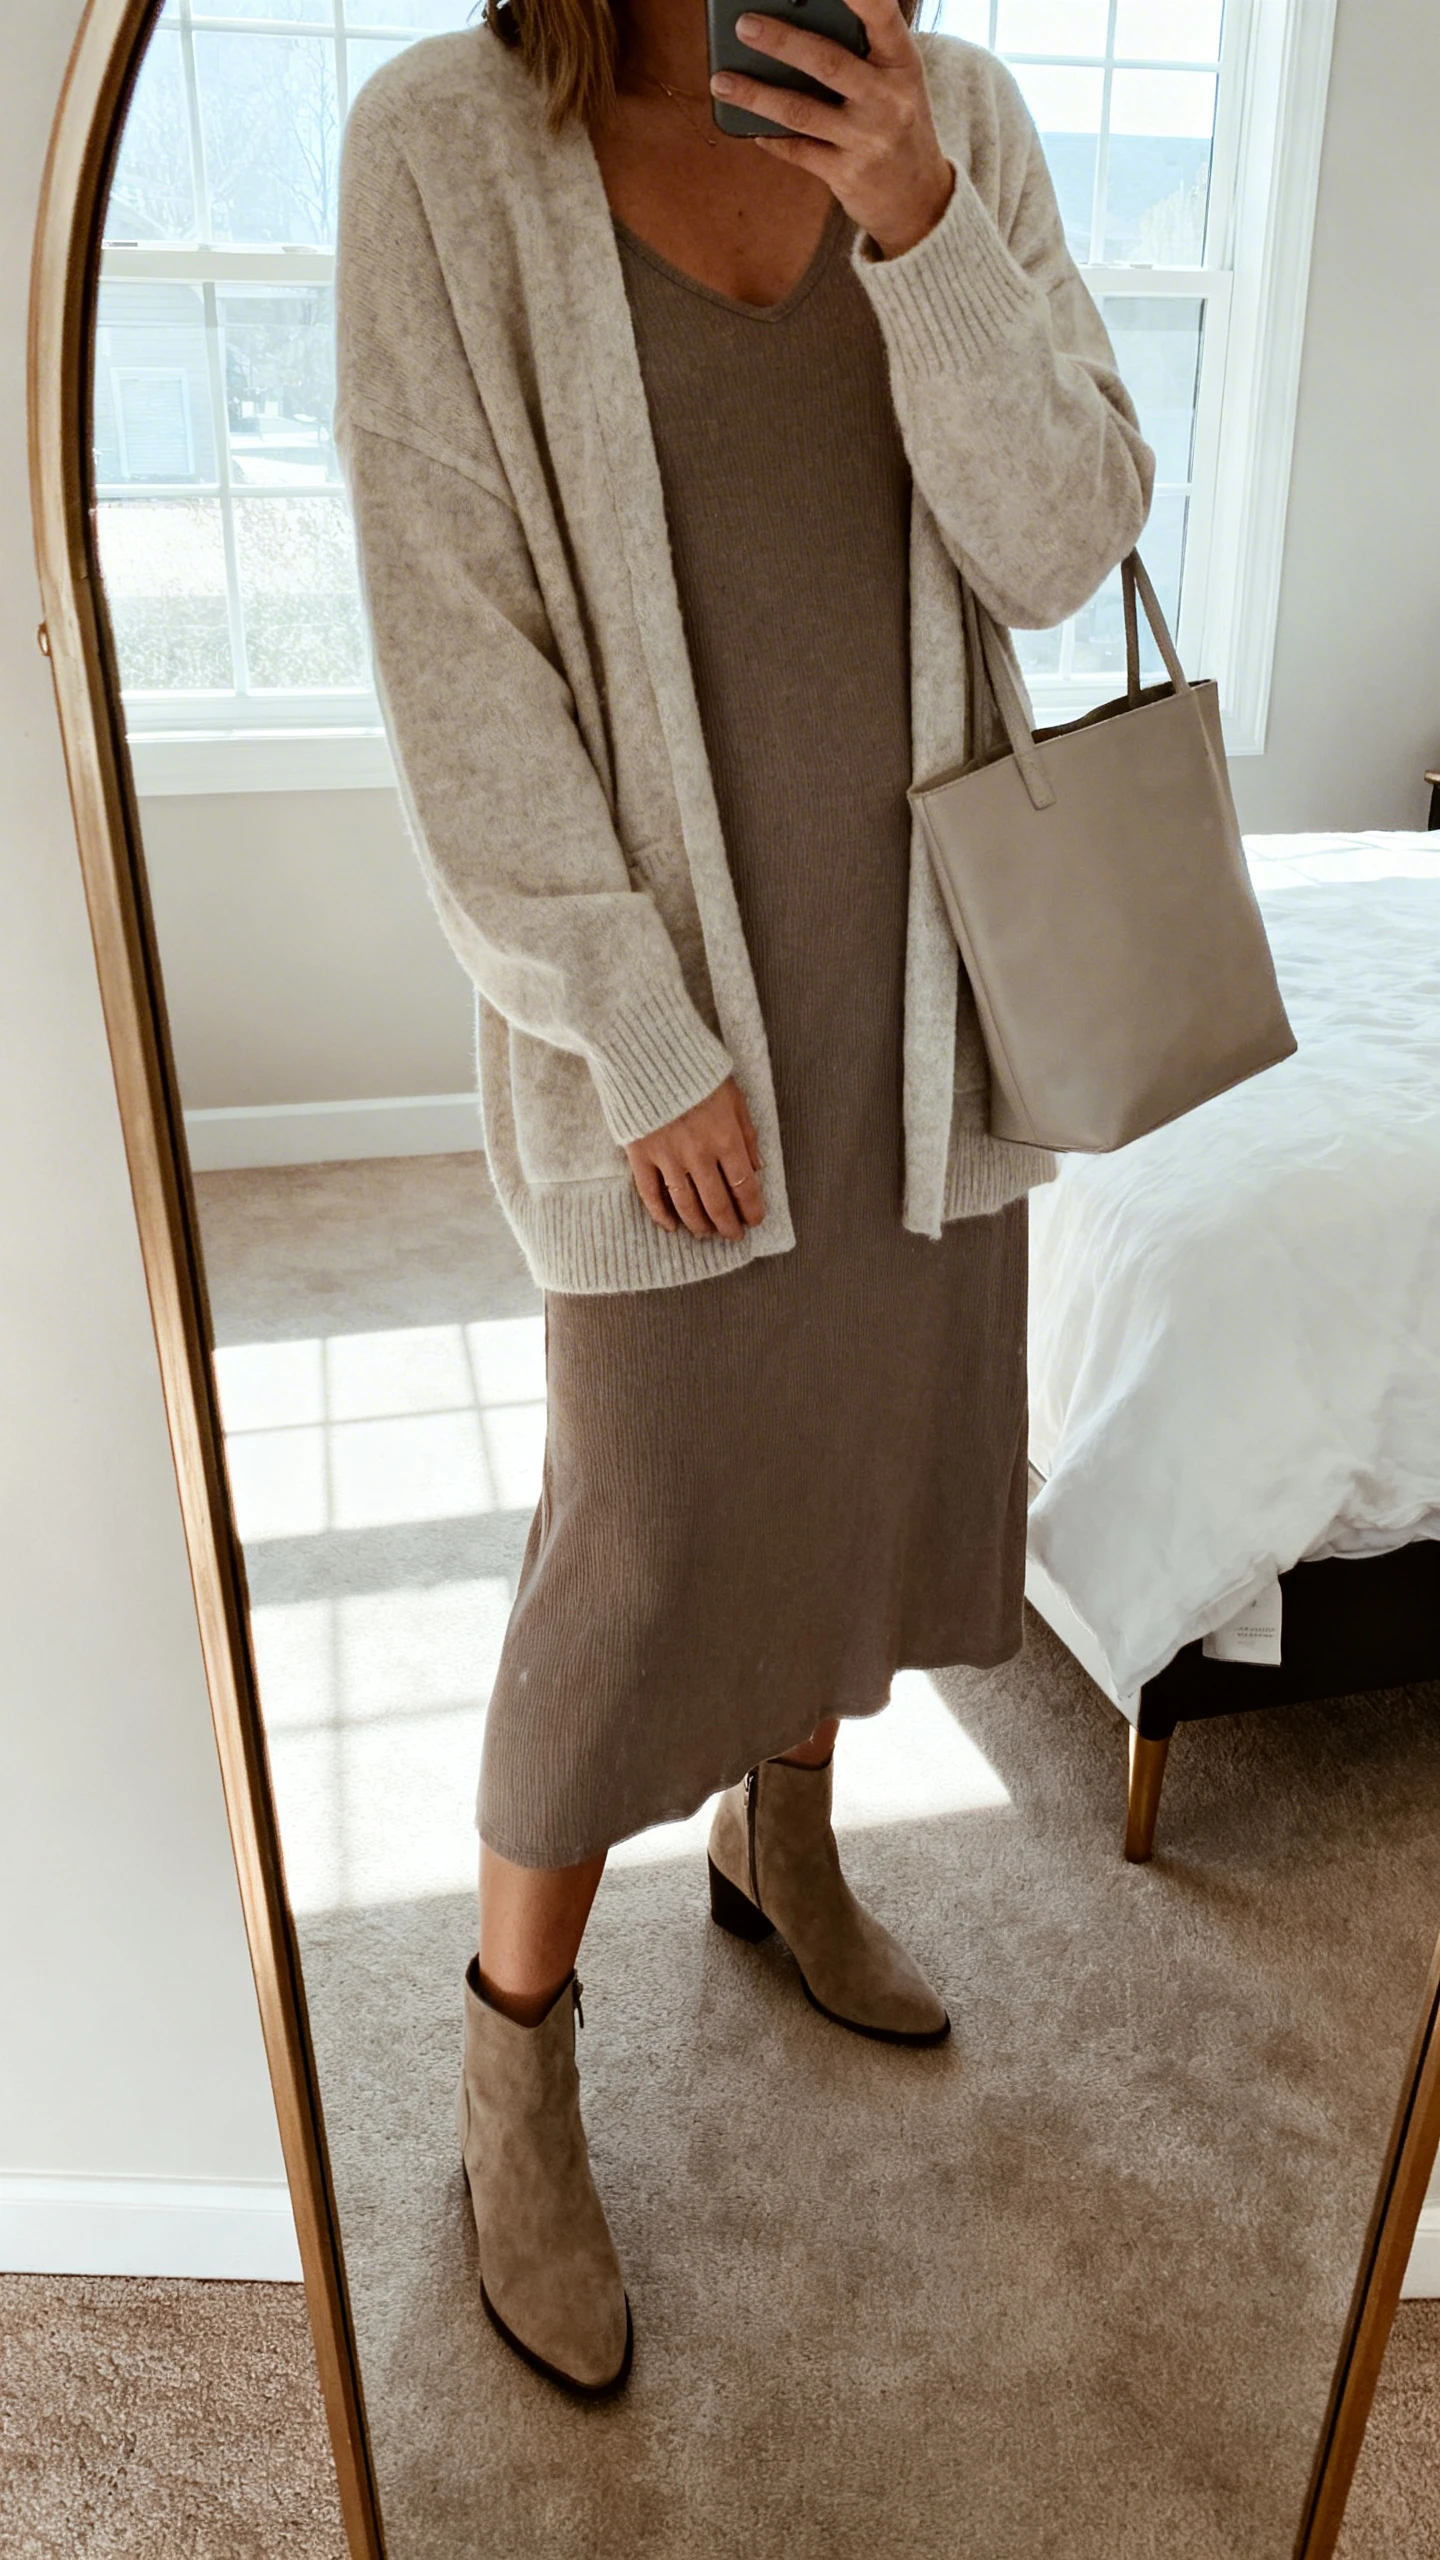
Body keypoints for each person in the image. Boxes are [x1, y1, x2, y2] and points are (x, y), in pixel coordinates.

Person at [334, 0, 1153, 2398]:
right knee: (643, 1542)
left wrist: (919, 220)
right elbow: (449, 645)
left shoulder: (959, 116)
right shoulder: (444, 148)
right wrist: (632, 1023)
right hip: (666, 1033)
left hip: (923, 998)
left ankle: (783, 1838)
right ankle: (513, 2059)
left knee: (858, 1477)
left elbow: (1069, 535)